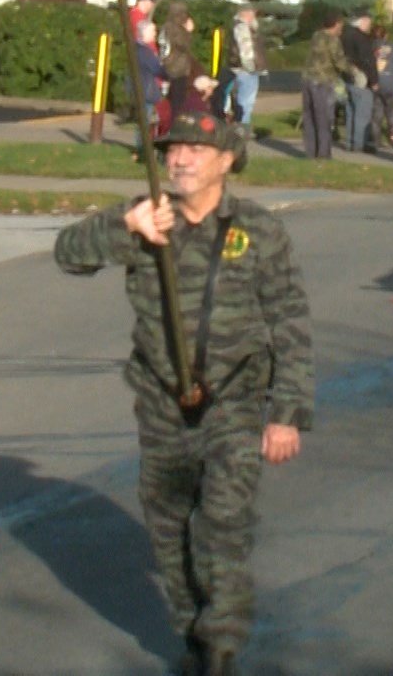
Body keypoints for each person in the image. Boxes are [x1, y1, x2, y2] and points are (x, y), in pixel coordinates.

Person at [54, 111, 313, 676]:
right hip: (160, 404)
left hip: (234, 402)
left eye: (197, 149)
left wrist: (286, 414)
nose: (181, 158)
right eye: (172, 149)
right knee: (169, 530)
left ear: (227, 161)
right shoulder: (147, 218)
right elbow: (67, 253)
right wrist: (126, 228)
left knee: (220, 526)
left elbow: (289, 321)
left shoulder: (258, 231)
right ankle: (194, 639)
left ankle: (220, 650)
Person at [300, 13, 356, 159]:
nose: (341, 29)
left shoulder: (316, 35)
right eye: (341, 26)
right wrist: (353, 71)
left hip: (307, 79)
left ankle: (310, 152)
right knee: (323, 118)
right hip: (323, 80)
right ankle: (323, 153)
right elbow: (338, 61)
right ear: (336, 24)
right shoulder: (333, 40)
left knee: (309, 116)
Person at [341, 14, 380, 153]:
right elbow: (367, 60)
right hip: (361, 79)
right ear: (362, 22)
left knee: (351, 111)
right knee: (362, 113)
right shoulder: (361, 38)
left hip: (347, 77)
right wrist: (374, 80)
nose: (369, 25)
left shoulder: (344, 35)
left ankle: (349, 142)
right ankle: (359, 144)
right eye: (368, 22)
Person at [226, 4, 264, 130]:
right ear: (245, 13)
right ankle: (242, 128)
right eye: (252, 13)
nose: (254, 16)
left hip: (240, 68)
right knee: (246, 101)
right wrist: (251, 67)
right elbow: (246, 49)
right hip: (245, 70)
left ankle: (240, 126)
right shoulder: (242, 27)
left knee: (241, 100)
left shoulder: (242, 27)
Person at [137, 18, 168, 137]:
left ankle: (141, 148)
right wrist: (169, 72)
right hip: (146, 91)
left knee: (143, 121)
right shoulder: (145, 51)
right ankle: (142, 148)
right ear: (145, 32)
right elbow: (157, 69)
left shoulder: (137, 48)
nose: (155, 33)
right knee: (145, 122)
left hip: (141, 89)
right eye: (153, 31)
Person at [375, 34, 393, 150]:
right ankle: (392, 137)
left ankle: (376, 139)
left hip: (377, 84)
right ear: (386, 36)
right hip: (392, 85)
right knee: (392, 113)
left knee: (377, 114)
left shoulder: (371, 48)